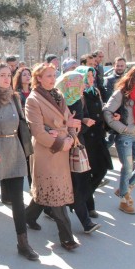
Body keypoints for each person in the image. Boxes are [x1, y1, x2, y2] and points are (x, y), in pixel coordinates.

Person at [0, 63, 39, 261]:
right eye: (2, 75)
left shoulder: (15, 97)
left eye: (9, 75)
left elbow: (21, 123)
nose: (6, 78)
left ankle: (23, 243)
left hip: (14, 150)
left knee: (18, 201)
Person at [23, 63, 80, 250]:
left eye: (54, 75)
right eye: (48, 75)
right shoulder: (33, 99)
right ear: (38, 78)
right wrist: (60, 143)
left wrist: (71, 136)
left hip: (63, 149)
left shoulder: (59, 94)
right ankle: (67, 238)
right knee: (56, 194)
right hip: (47, 151)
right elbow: (38, 132)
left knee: (46, 189)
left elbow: (68, 119)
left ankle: (27, 217)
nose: (52, 78)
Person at [103, 66, 135, 214]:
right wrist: (122, 128)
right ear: (131, 78)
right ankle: (125, 199)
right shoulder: (121, 94)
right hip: (125, 136)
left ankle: (124, 189)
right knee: (128, 168)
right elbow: (107, 111)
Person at [56, 68, 100, 234]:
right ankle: (86, 222)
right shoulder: (59, 101)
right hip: (64, 146)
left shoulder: (80, 99)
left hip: (78, 145)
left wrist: (82, 122)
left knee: (81, 181)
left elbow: (83, 120)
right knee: (74, 184)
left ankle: (34, 212)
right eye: (79, 83)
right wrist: (71, 124)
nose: (82, 87)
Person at [77, 66, 113, 219]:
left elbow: (100, 111)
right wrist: (85, 121)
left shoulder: (95, 91)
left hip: (98, 136)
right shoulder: (79, 94)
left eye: (92, 75)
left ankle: (83, 198)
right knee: (88, 172)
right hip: (87, 138)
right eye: (88, 76)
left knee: (102, 169)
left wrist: (110, 116)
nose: (91, 78)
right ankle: (89, 206)